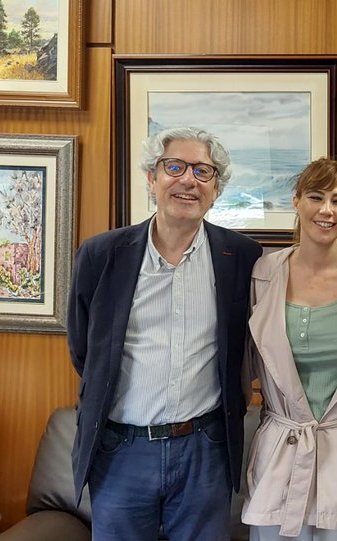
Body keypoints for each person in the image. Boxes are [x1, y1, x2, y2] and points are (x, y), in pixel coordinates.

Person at [67, 126, 262, 541]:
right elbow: (85, 350)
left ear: (216, 189)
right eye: (175, 166)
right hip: (121, 449)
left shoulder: (242, 257)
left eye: (203, 171)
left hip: (204, 449)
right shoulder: (101, 254)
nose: (188, 180)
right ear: (151, 178)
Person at [242, 159, 337, 541]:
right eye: (315, 196)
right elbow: (238, 365)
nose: (327, 210)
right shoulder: (261, 275)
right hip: (281, 452)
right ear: (296, 202)